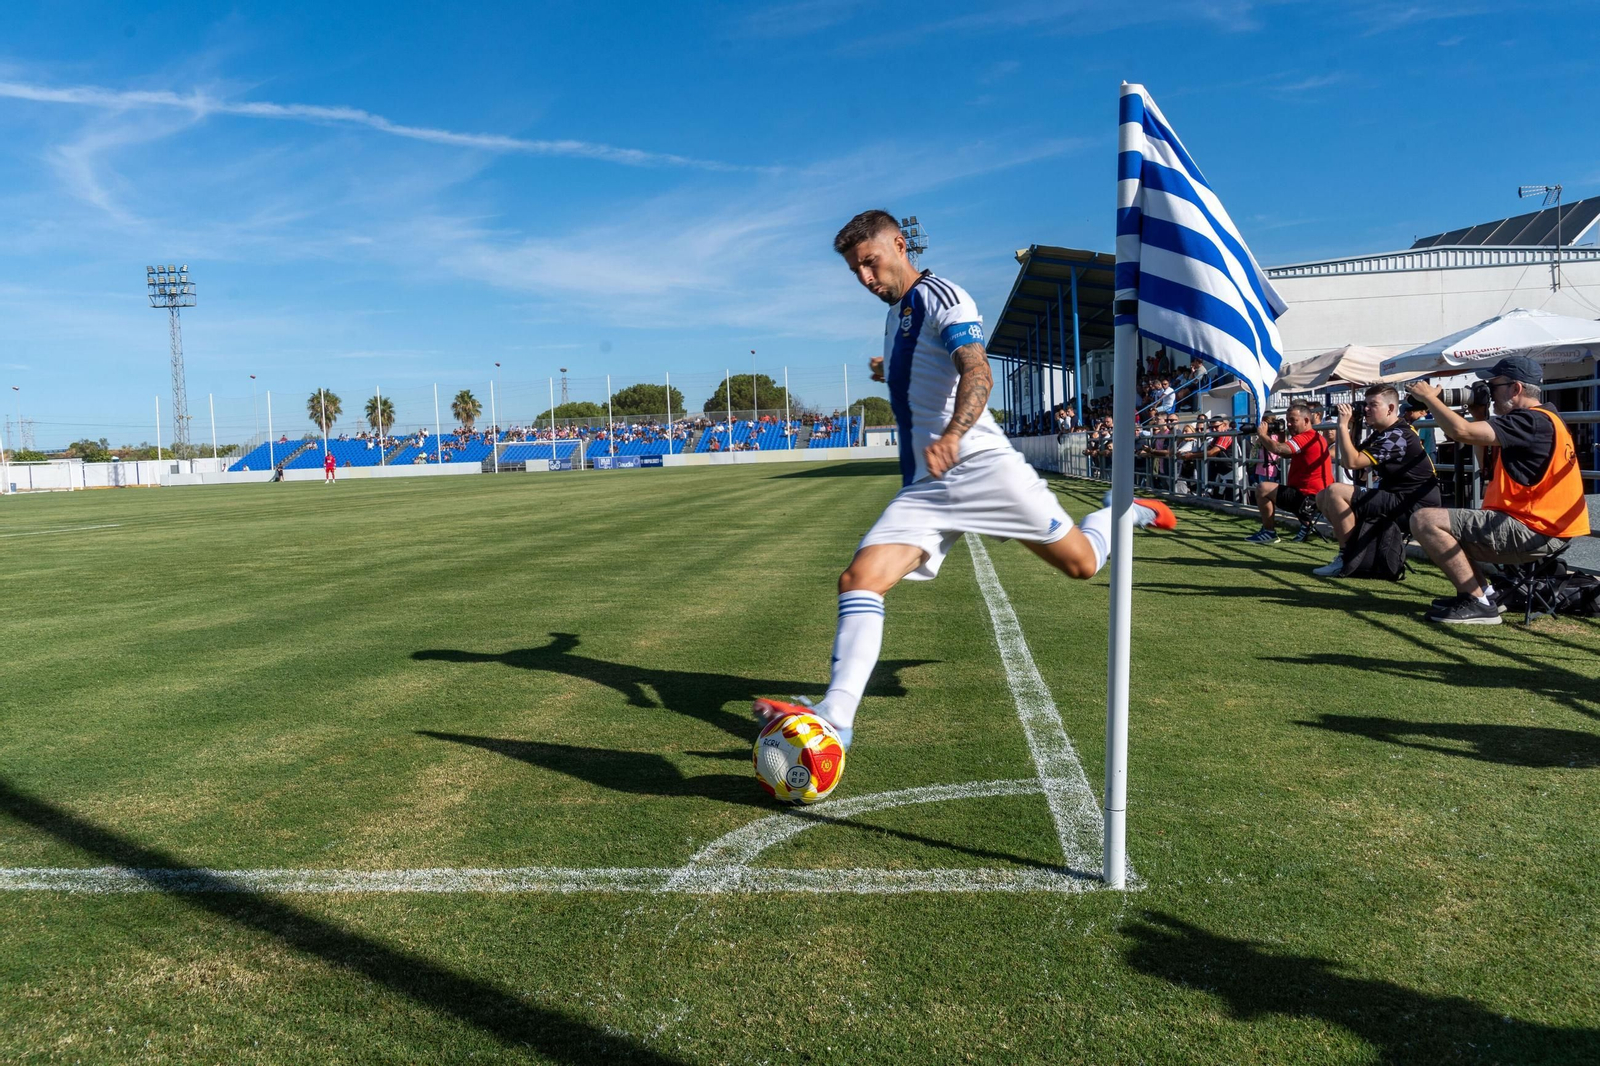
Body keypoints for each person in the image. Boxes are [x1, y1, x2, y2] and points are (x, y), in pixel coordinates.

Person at [751, 209, 1176, 752]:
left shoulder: (945, 296)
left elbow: (978, 370)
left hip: (978, 466)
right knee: (859, 579)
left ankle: (1123, 512)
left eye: (870, 263)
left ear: (900, 246)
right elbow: (926, 365)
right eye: (856, 270)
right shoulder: (899, 311)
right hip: (929, 485)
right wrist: (893, 367)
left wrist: (953, 434)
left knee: (1082, 564)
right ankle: (838, 715)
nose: (864, 277)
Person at [1407, 356, 1591, 624]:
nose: (1488, 393)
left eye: (1493, 387)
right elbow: (1487, 468)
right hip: (1538, 525)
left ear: (1515, 389)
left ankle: (1478, 603)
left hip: (1534, 528)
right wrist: (1480, 414)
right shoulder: (1540, 420)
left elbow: (1462, 432)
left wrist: (1429, 398)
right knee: (1447, 526)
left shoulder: (1531, 421)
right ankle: (1486, 595)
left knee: (1424, 520)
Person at [1310, 385, 1441, 577]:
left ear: (1390, 409)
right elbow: (1356, 461)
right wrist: (1354, 425)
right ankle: (1364, 554)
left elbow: (1352, 462)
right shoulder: (1383, 432)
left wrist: (1342, 426)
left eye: (1373, 405)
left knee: (1335, 492)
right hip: (1396, 498)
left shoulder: (1397, 435)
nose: (1366, 409)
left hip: (1414, 504)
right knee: (1322, 497)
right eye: (1365, 404)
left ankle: (1348, 558)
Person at [1246, 403, 1332, 544]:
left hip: (1307, 498)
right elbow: (1286, 454)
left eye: (1293, 420)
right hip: (1315, 495)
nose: (1289, 425)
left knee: (1263, 489)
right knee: (1271, 489)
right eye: (1287, 421)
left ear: (1306, 421)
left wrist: (1262, 435)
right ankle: (1306, 526)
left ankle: (1269, 532)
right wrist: (1281, 436)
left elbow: (1279, 450)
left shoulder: (1306, 437)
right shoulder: (1313, 437)